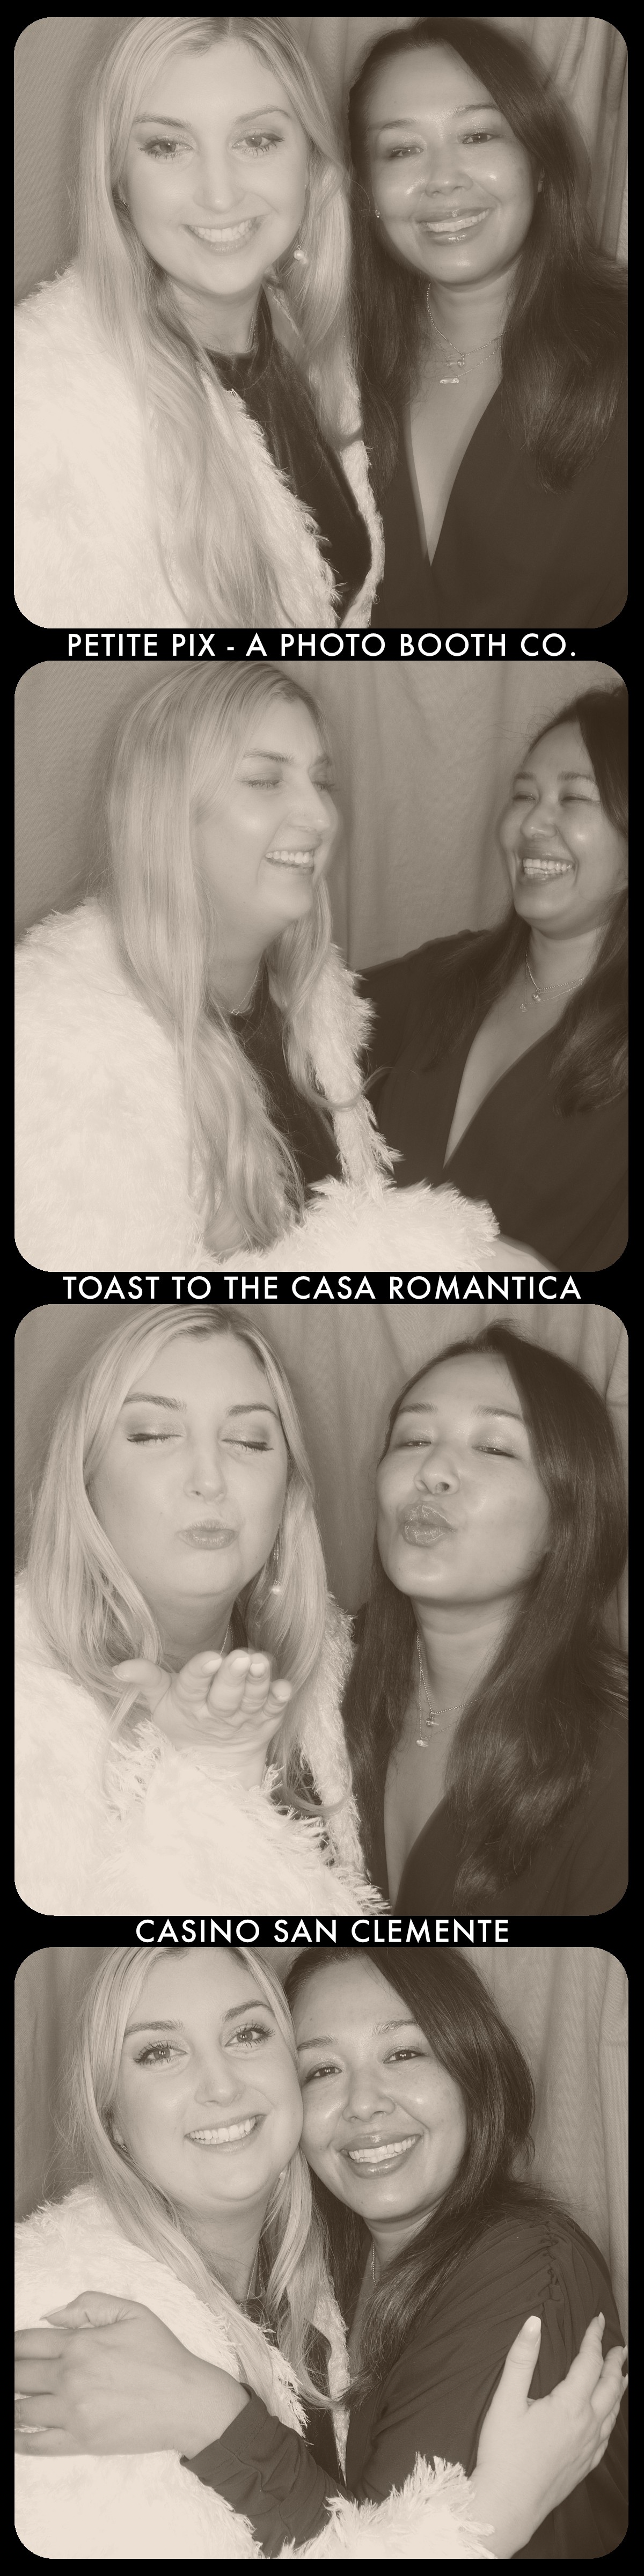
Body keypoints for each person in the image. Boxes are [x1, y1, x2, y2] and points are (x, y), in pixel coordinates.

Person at [15, 1948, 628, 2562]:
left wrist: (209, 2416)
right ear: (112, 2119)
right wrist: (496, 2515)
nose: (364, 2103)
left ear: (474, 2068)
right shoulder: (76, 2310)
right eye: (324, 2069)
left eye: (403, 2053)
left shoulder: (521, 2271)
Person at [14, 664, 530, 1276]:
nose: (321, 817)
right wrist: (448, 1252)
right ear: (168, 810)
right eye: (265, 781)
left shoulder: (315, 1006)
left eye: (322, 782)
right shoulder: (55, 1045)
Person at [14, 17, 382, 628]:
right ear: (117, 179)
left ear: (311, 159)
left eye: (257, 141)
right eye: (167, 146)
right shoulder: (36, 411)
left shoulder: (307, 333)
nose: (219, 194)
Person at [14, 1310, 380, 1915]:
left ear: (288, 1489)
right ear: (83, 1477)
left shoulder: (346, 1681)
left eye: (248, 1442)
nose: (210, 1480)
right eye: (154, 1435)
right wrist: (209, 1777)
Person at [348, 19, 627, 628]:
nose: (443, 178)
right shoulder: (333, 367)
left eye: (478, 135)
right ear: (367, 193)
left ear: (540, 162)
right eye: (401, 150)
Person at [342, 1326, 628, 1915]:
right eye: (413, 1439)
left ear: (568, 1518)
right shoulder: (320, 1673)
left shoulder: (614, 1764)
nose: (433, 1471)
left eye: (495, 1448)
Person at [361, 687, 628, 1270]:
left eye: (574, 798)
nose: (532, 822)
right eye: (524, 795)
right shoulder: (445, 974)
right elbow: (290, 1018)